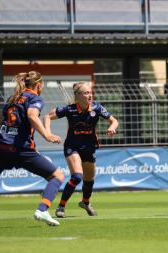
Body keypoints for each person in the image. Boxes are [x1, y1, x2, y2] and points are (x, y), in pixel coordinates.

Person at [0, 71, 64, 226]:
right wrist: (47, 135)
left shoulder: (13, 98)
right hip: (20, 149)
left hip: (2, 148)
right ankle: (42, 210)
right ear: (39, 84)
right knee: (57, 176)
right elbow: (32, 115)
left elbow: (0, 120)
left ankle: (43, 211)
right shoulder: (35, 98)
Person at [44, 82, 118, 218]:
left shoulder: (97, 108)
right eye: (86, 93)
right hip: (72, 147)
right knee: (77, 176)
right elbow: (47, 116)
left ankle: (85, 202)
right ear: (77, 95)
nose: (89, 95)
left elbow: (114, 120)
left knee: (89, 179)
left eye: (90, 92)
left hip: (89, 147)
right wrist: (48, 133)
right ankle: (61, 207)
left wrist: (112, 127)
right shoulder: (69, 109)